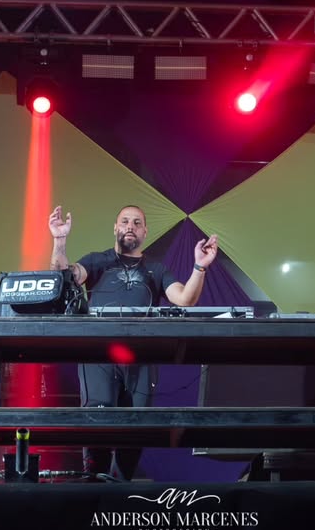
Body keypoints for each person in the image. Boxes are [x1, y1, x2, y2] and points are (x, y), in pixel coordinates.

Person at [49, 204, 218, 481]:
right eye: (125, 221)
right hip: (98, 355)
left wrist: (199, 266)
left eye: (137, 222)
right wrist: (59, 240)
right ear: (115, 228)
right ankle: (93, 488)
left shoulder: (156, 270)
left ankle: (120, 488)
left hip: (141, 358)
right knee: (97, 422)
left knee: (135, 427)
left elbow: (185, 299)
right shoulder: (97, 261)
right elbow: (64, 276)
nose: (131, 226)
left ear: (145, 232)